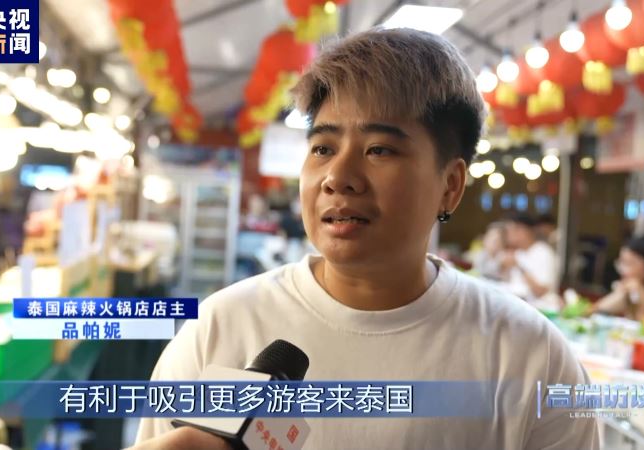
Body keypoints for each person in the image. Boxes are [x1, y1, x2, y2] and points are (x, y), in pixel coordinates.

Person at [134, 28, 597, 449]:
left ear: (450, 185)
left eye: (379, 149)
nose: (337, 177)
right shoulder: (219, 328)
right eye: (323, 148)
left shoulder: (531, 357)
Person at [500, 214, 559, 306]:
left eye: (512, 230)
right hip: (517, 304)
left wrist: (518, 266)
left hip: (540, 308)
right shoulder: (517, 253)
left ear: (525, 231)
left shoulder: (543, 252)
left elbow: (541, 291)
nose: (508, 235)